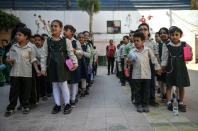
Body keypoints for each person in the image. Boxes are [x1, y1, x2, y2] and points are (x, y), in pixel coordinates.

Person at [41, 20, 78, 114]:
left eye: (56, 26)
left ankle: (67, 104)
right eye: (52, 26)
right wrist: (43, 68)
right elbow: (44, 55)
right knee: (55, 85)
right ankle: (57, 105)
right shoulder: (47, 40)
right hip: (52, 65)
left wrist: (75, 63)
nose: (53, 28)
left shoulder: (66, 41)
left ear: (61, 28)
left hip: (63, 66)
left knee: (63, 84)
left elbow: (71, 53)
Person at [4, 27, 40, 117]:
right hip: (15, 73)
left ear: (26, 37)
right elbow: (8, 57)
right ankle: (11, 108)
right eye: (16, 34)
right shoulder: (14, 46)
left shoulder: (30, 47)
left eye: (19, 35)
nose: (17, 36)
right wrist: (8, 60)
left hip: (26, 74)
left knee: (26, 91)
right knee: (13, 91)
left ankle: (25, 106)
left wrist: (38, 70)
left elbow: (33, 60)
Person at [128, 31, 161, 113]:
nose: (136, 42)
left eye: (138, 40)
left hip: (147, 75)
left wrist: (158, 68)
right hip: (136, 75)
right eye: (134, 40)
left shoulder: (148, 50)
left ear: (143, 41)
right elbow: (128, 62)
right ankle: (138, 104)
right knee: (137, 91)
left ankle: (145, 104)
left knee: (146, 91)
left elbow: (154, 59)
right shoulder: (132, 52)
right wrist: (129, 61)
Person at [161, 26, 190, 112]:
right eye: (172, 35)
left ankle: (180, 102)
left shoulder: (185, 44)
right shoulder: (166, 45)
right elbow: (164, 58)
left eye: (177, 34)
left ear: (180, 35)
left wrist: (189, 53)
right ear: (169, 36)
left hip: (181, 68)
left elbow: (188, 56)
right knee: (169, 85)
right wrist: (162, 67)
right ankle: (169, 102)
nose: (174, 36)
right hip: (170, 68)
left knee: (181, 85)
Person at [138, 23, 159, 106]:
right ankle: (142, 100)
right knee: (141, 83)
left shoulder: (152, 42)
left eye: (145, 29)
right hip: (140, 64)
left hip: (150, 64)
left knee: (152, 82)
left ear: (148, 31)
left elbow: (156, 55)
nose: (143, 31)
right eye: (141, 29)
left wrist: (158, 66)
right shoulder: (136, 41)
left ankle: (152, 99)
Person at [63, 25, 82, 107]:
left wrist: (75, 51)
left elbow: (81, 52)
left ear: (72, 32)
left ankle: (73, 99)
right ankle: (67, 99)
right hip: (64, 63)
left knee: (74, 82)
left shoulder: (76, 42)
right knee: (66, 82)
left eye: (66, 30)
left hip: (72, 63)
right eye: (64, 30)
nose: (64, 32)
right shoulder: (62, 40)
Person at [158, 28, 170, 102]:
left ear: (168, 34)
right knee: (163, 82)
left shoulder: (170, 43)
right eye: (161, 33)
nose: (162, 34)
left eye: (164, 33)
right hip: (163, 66)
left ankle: (174, 99)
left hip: (169, 67)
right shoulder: (162, 44)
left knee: (170, 84)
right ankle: (165, 96)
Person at [77, 33, 91, 97]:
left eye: (82, 37)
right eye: (79, 37)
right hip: (76, 64)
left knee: (83, 77)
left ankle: (83, 90)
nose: (81, 39)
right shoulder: (74, 45)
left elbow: (89, 55)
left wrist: (82, 52)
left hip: (84, 63)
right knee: (77, 78)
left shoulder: (86, 45)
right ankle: (77, 90)